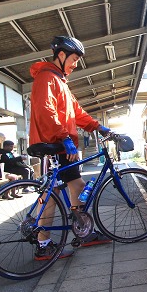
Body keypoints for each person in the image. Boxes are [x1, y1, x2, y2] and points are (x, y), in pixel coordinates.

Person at [29, 35, 112, 260]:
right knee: (52, 194)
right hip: (53, 145)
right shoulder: (46, 78)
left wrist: (100, 127)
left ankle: (82, 231)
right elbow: (46, 111)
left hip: (60, 145)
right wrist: (64, 136)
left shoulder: (59, 82)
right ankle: (43, 244)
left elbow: (76, 112)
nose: (75, 65)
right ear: (61, 55)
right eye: (74, 59)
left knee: (77, 185)